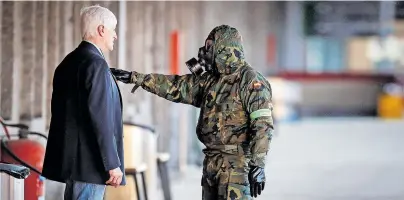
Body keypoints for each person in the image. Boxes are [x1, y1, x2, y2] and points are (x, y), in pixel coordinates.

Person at [111, 25, 273, 199]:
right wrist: (137, 78)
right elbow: (176, 86)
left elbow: (263, 126)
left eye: (210, 47)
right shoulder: (211, 80)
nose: (205, 51)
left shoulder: (251, 81)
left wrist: (258, 164)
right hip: (212, 162)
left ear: (224, 49)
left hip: (237, 165)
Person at [42, 5, 125, 200]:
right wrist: (112, 163)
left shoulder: (68, 62)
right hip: (91, 166)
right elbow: (100, 118)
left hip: (74, 165)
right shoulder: (97, 65)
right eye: (113, 30)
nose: (115, 36)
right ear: (101, 30)